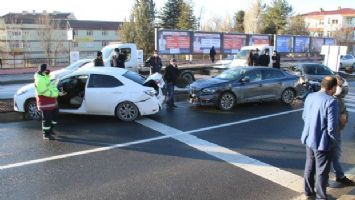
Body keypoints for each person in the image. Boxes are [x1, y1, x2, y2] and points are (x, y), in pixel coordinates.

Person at [301, 76, 339, 200]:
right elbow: (332, 128)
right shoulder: (331, 101)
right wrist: (334, 141)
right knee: (322, 170)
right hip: (322, 141)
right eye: (336, 87)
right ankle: (321, 197)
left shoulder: (310, 96)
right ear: (332, 88)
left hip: (308, 138)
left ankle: (308, 191)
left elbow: (304, 116)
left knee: (309, 166)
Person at [331, 76, 354, 185]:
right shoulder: (332, 100)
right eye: (341, 87)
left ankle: (339, 175)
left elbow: (344, 114)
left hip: (335, 133)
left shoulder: (339, 100)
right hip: (330, 134)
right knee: (326, 158)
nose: (344, 90)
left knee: (335, 155)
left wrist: (344, 117)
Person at [34, 64, 66, 140]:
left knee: (54, 117)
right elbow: (44, 92)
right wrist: (56, 94)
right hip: (45, 103)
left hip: (51, 102)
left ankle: (50, 130)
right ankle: (46, 134)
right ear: (44, 70)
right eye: (47, 69)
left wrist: (58, 92)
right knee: (47, 119)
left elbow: (51, 87)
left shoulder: (45, 77)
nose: (49, 70)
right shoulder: (40, 80)